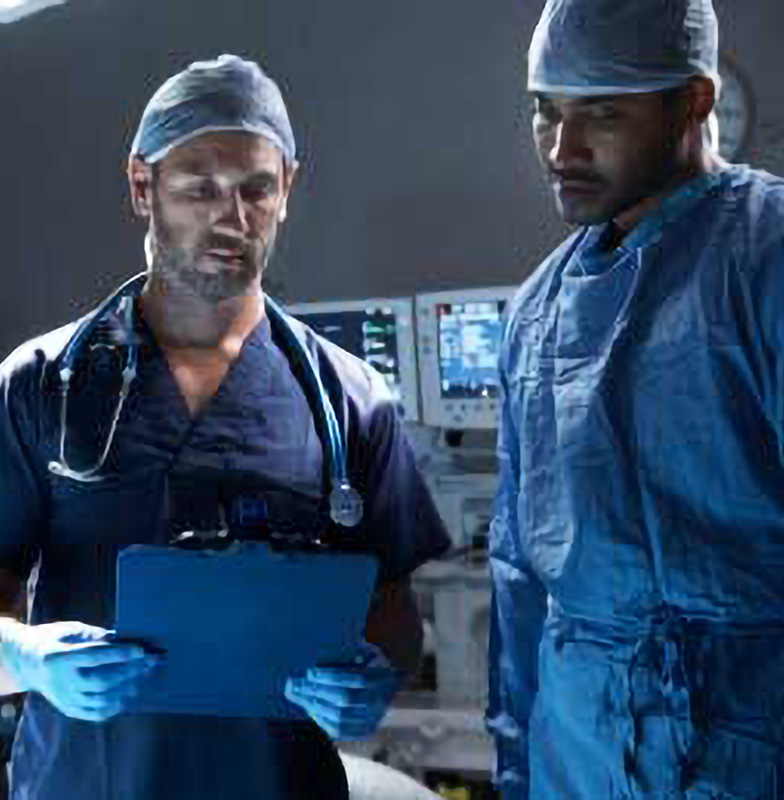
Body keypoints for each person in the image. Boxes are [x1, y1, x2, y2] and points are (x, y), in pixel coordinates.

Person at [0, 54, 452, 799]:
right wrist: (26, 658)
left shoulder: (347, 399)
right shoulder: (43, 383)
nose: (231, 218)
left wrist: (375, 674)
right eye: (199, 189)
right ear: (143, 187)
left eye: (256, 189)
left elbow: (393, 609)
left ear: (288, 191)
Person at [486, 0, 784, 796]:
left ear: (694, 101)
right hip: (575, 758)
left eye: (602, 114)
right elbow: (519, 583)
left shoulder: (764, 262)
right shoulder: (536, 313)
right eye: (545, 111)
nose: (561, 146)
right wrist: (517, 772)